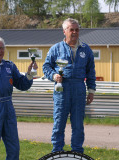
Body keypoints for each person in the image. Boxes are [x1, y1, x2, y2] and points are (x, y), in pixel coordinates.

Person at [42, 18, 96, 153]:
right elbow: (46, 66)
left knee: (78, 125)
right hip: (62, 88)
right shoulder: (56, 48)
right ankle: (57, 152)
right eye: (71, 29)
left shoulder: (86, 49)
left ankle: (77, 153)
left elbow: (91, 71)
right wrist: (54, 76)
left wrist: (91, 90)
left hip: (79, 88)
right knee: (59, 124)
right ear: (64, 31)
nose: (74, 32)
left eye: (77, 30)